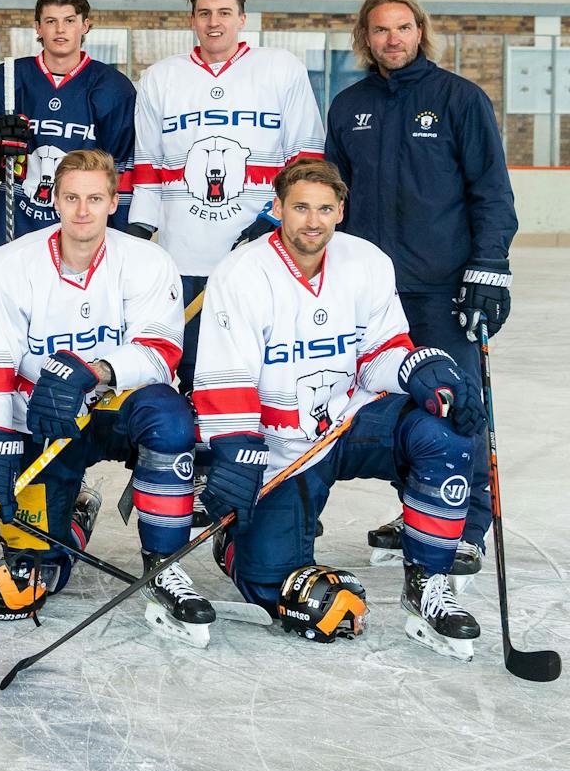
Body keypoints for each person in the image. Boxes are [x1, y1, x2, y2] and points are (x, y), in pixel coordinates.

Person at [194, 158, 484, 659]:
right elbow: (224, 377)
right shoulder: (241, 272)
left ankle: (428, 584)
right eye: (301, 207)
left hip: (349, 423)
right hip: (280, 448)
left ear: (340, 211)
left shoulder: (366, 261)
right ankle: (240, 543)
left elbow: (379, 353)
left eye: (324, 209)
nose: (313, 221)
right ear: (277, 207)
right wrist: (236, 453)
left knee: (440, 429)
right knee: (275, 587)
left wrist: (418, 368)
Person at [0, 151, 210, 641]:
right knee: (38, 574)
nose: (82, 211)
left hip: (118, 410)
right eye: (71, 197)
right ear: (52, 198)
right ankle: (72, 515)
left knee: (171, 420)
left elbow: (160, 354)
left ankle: (164, 562)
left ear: (114, 201)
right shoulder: (8, 264)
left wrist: (92, 371)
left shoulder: (148, 262)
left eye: (95, 198)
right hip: (43, 418)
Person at [324, 0, 516, 575]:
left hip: (442, 290)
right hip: (374, 296)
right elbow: (334, 199)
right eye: (381, 30)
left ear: (420, 31)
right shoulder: (349, 105)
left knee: (459, 404)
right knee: (396, 406)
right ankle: (419, 510)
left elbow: (491, 192)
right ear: (366, 39)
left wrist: (490, 267)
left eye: (403, 28)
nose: (393, 39)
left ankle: (468, 523)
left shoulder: (459, 99)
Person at [128, 0, 324, 391]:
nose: (214, 22)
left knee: (265, 367)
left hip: (265, 253)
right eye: (204, 13)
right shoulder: (161, 78)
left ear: (242, 19)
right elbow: (148, 165)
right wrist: (139, 234)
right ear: (192, 20)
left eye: (224, 12)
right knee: (194, 371)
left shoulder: (280, 69)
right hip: (185, 261)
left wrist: (274, 221)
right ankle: (195, 451)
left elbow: (307, 163)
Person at [0, 0, 136, 283]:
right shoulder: (4, 80)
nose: (60, 30)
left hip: (84, 235)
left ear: (85, 25)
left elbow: (124, 175)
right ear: (38, 27)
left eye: (69, 21)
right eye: (51, 21)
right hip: (15, 228)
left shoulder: (114, 88)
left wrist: (122, 240)